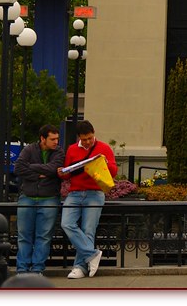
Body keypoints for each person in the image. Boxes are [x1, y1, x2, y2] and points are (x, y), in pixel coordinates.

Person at [58, 120, 117, 280]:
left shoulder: (104, 148)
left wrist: (104, 163)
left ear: (93, 133)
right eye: (84, 139)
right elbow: (68, 173)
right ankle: (92, 254)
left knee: (88, 230)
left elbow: (113, 171)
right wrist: (63, 173)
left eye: (90, 138)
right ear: (79, 138)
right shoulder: (71, 150)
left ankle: (79, 267)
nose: (88, 142)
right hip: (75, 192)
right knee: (66, 223)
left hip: (95, 192)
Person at [14, 124, 65, 275]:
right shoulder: (29, 149)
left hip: (49, 198)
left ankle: (37, 269)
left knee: (43, 236)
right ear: (43, 139)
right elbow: (18, 168)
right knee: (24, 235)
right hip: (27, 197)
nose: (56, 142)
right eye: (53, 139)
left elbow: (53, 168)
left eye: (57, 139)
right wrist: (40, 174)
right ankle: (22, 270)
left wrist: (32, 167)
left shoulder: (59, 152)